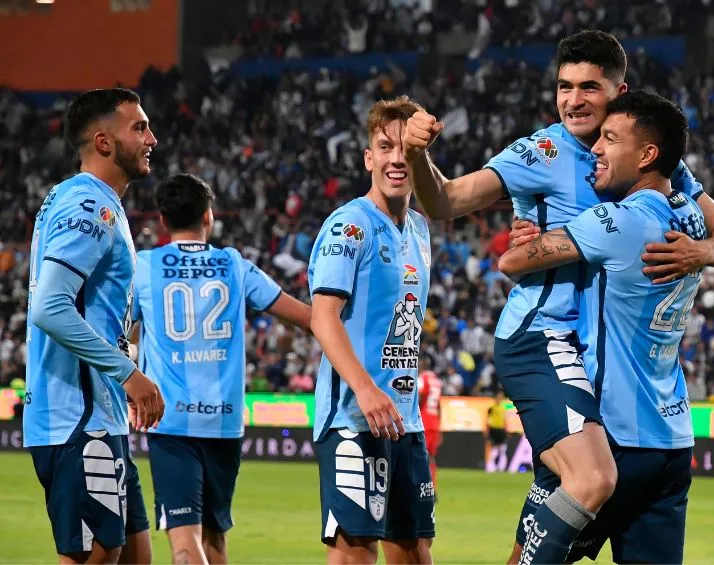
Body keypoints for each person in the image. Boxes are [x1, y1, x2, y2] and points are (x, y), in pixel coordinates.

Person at [403, 30, 714, 562]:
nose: (574, 100)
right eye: (565, 87)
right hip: (543, 337)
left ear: (618, 91)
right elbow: (445, 201)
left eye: (589, 87)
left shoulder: (652, 159)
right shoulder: (540, 152)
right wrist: (416, 154)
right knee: (590, 479)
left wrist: (698, 252)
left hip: (591, 359)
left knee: (548, 518)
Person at [499, 90, 704, 564]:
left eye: (610, 139)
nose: (595, 148)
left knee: (528, 556)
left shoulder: (616, 221)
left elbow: (512, 262)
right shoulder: (691, 219)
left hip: (610, 435)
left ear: (647, 155)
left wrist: (530, 228)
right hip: (672, 439)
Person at [131, 174, 311, 564]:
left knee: (184, 544)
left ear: (163, 220)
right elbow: (306, 318)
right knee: (214, 539)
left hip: (171, 421)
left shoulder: (143, 266)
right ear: (208, 216)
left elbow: (117, 332)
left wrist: (130, 378)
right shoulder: (234, 264)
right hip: (224, 422)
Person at [25, 88, 165, 565]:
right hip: (78, 417)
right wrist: (129, 374)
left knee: (135, 556)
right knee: (98, 556)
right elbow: (50, 307)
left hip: (100, 414)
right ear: (104, 142)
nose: (152, 138)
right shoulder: (89, 205)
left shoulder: (86, 200)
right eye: (139, 128)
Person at [308, 96, 435, 565]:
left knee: (415, 551)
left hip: (405, 420)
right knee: (355, 552)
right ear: (368, 158)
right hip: (353, 417)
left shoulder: (419, 228)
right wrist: (364, 389)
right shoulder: (349, 226)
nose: (396, 159)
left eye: (406, 148)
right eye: (385, 147)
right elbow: (323, 316)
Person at [418, 356, 442, 494]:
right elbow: (439, 405)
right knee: (431, 456)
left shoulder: (423, 378)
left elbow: (421, 396)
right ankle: (433, 486)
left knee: (421, 454)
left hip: (424, 420)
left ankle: (423, 487)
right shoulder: (436, 380)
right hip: (434, 421)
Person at [484, 389, 508, 472]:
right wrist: (487, 430)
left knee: (502, 449)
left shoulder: (503, 408)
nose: (499, 399)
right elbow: (487, 420)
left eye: (501, 397)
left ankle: (501, 468)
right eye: (498, 397)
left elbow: (504, 420)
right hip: (493, 430)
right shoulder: (491, 408)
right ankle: (490, 467)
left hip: (501, 430)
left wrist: (506, 429)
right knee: (493, 449)